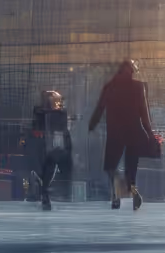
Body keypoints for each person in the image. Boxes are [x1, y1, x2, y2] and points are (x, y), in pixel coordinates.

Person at [87, 60, 157, 210]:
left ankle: (115, 195)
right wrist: (149, 133)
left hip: (115, 132)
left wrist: (92, 124)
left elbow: (100, 108)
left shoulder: (110, 87)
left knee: (111, 167)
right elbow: (144, 113)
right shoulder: (138, 87)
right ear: (132, 71)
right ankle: (133, 192)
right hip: (133, 132)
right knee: (131, 169)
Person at [31, 88, 73, 208]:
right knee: (46, 169)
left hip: (53, 147)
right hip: (46, 146)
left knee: (49, 168)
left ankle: (45, 192)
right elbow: (36, 127)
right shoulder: (41, 112)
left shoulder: (59, 113)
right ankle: (44, 191)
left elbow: (63, 129)